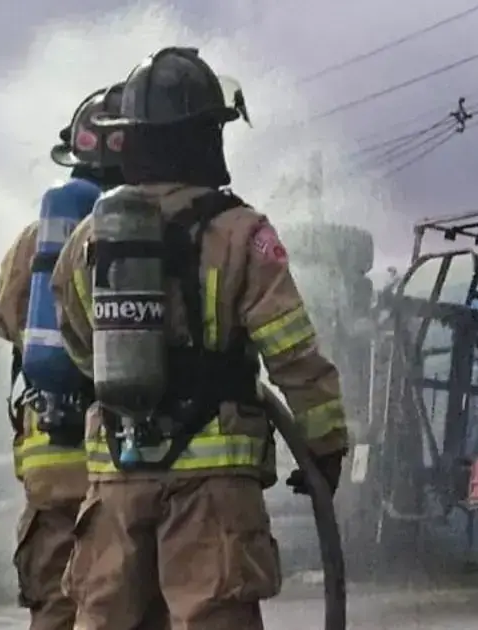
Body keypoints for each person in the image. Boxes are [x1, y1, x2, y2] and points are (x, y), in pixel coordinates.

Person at [51, 47, 350, 630]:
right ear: (205, 135)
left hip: (115, 478)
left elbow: (77, 342)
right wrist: (325, 444)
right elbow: (293, 355)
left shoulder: (90, 237)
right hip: (210, 492)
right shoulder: (243, 234)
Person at [0, 84, 126, 630]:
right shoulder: (153, 230)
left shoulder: (37, 241)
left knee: (57, 608)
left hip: (52, 468)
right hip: (127, 463)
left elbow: (8, 318)